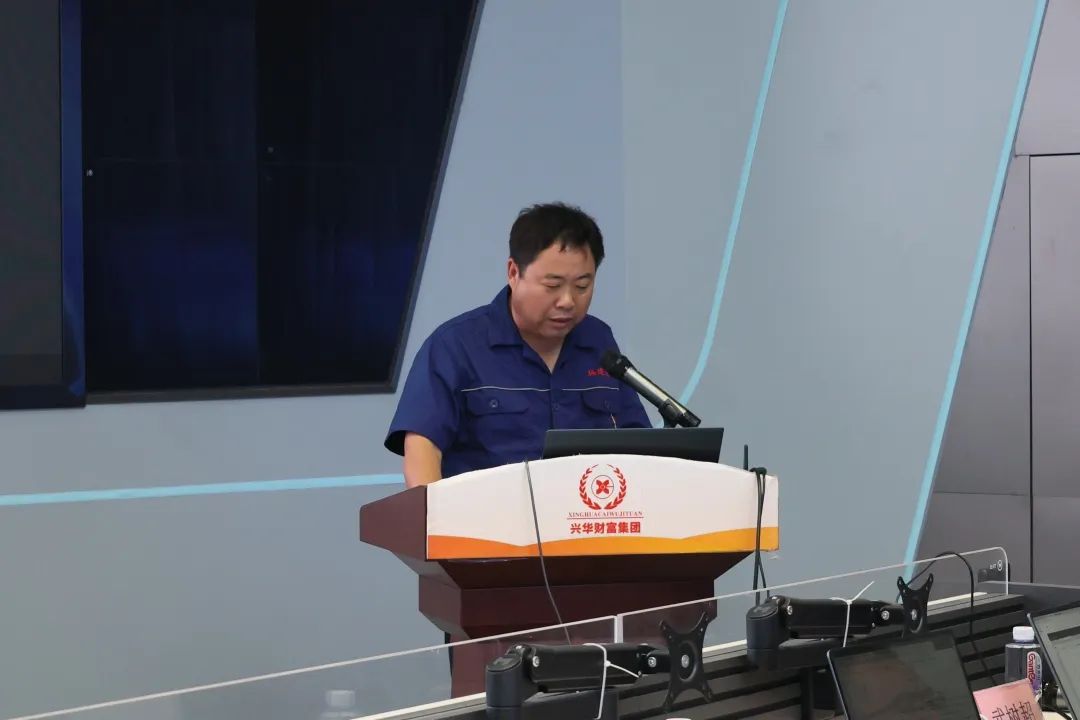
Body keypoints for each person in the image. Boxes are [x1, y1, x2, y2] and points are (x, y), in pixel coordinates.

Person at [385, 201, 650, 488]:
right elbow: (421, 449)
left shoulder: (599, 341)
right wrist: (435, 513)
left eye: (582, 286)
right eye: (552, 285)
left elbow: (639, 443)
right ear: (513, 272)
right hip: (486, 515)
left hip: (588, 512)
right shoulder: (455, 346)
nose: (567, 301)